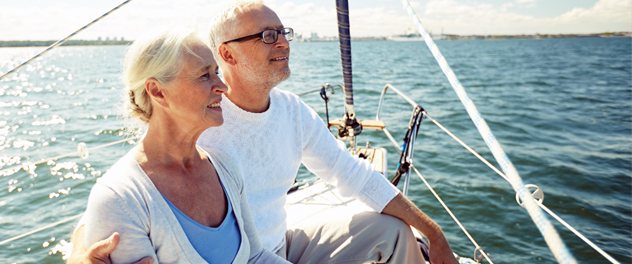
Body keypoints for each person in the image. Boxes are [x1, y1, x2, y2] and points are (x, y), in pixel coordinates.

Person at [69, 1, 459, 263]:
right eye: (267, 36)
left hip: (270, 248)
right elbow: (121, 200)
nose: (284, 43)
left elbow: (352, 174)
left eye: (283, 32)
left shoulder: (287, 114)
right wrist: (80, 255)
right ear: (227, 54)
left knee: (393, 232)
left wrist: (434, 232)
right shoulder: (196, 121)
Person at [79, 26, 290, 264]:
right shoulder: (120, 198)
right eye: (204, 75)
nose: (222, 86)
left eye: (216, 72)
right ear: (158, 92)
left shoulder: (224, 168)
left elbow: (255, 257)